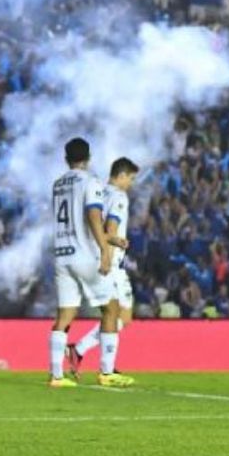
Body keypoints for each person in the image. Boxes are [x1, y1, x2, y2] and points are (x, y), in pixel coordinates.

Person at [48, 139, 133, 388]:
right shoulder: (91, 181)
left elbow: (73, 219)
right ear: (88, 157)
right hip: (85, 255)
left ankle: (56, 375)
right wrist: (105, 250)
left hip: (62, 254)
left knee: (65, 314)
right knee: (112, 309)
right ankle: (106, 372)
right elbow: (93, 216)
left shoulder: (58, 184)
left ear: (67, 159)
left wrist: (112, 239)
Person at [67, 157, 140, 380]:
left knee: (116, 315)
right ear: (121, 175)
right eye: (131, 178)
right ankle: (106, 369)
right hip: (111, 263)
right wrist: (109, 254)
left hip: (94, 259)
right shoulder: (119, 197)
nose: (131, 184)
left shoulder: (99, 193)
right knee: (119, 315)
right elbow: (111, 229)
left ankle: (80, 351)